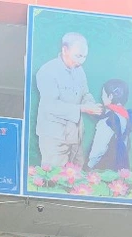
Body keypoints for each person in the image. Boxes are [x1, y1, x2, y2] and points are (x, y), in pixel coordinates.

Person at [34, 31, 102, 169]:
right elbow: (51, 105)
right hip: (54, 137)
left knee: (77, 176)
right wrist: (82, 109)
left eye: (84, 57)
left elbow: (85, 94)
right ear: (65, 50)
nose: (81, 61)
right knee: (55, 177)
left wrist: (91, 105)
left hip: (76, 136)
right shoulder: (47, 71)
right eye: (78, 56)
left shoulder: (79, 70)